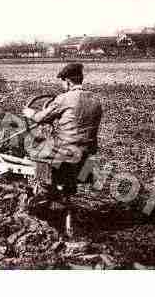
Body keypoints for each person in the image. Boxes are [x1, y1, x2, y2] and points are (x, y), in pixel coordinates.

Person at [22, 63, 102, 235]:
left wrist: (29, 113)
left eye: (62, 83)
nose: (62, 86)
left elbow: (40, 117)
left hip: (64, 153)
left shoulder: (63, 99)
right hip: (86, 154)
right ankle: (61, 194)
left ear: (67, 82)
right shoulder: (95, 100)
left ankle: (42, 192)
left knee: (31, 145)